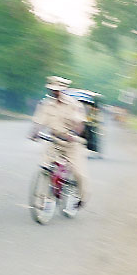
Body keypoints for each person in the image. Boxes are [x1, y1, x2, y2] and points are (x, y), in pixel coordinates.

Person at [30, 76, 89, 206]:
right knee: (45, 166)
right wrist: (35, 132)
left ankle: (81, 198)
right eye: (52, 89)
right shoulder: (46, 104)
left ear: (64, 89)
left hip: (71, 143)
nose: (55, 92)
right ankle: (42, 198)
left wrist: (74, 134)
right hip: (54, 140)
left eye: (57, 89)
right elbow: (40, 120)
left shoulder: (74, 104)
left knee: (78, 172)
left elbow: (80, 123)